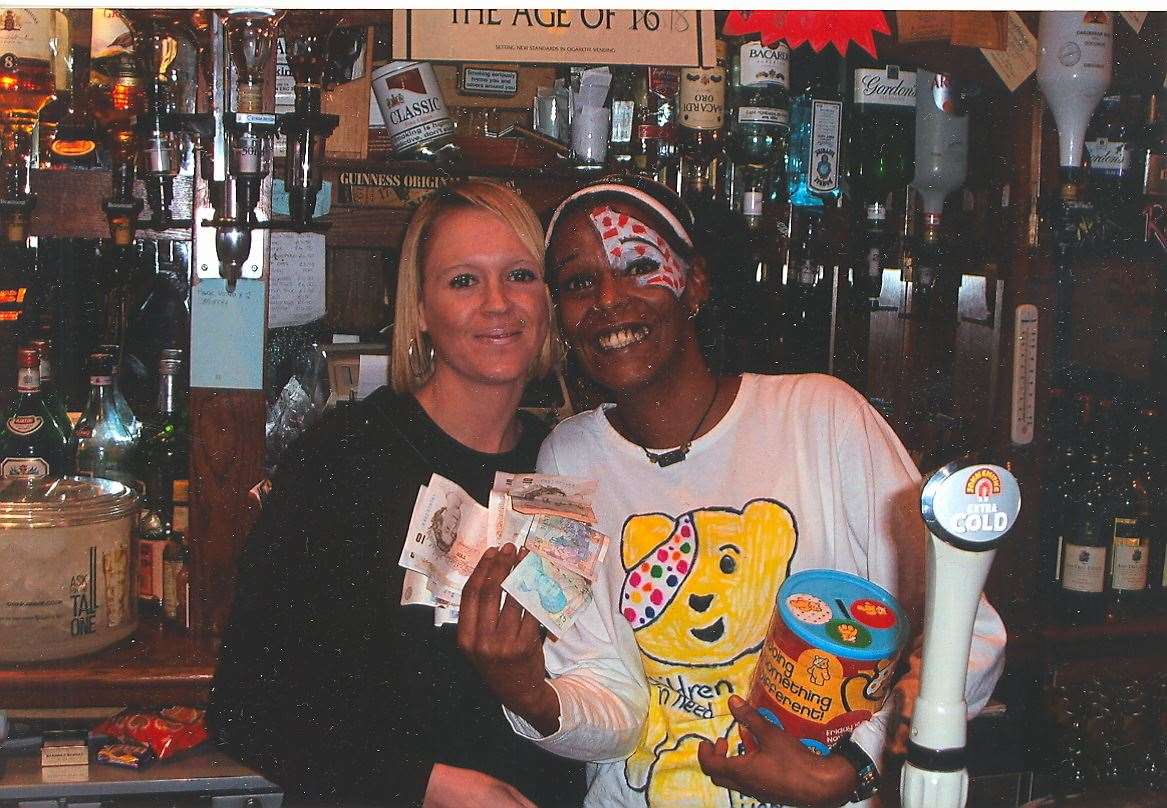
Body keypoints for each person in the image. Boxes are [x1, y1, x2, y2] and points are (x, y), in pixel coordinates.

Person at [458, 176, 1007, 808]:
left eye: (639, 265)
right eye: (580, 282)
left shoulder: (821, 418)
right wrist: (529, 691)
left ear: (693, 284)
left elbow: (966, 629)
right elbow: (615, 706)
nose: (608, 299)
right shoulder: (564, 460)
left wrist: (855, 764)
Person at [208, 180, 584, 808]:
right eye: (463, 281)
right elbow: (247, 707)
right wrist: (430, 786)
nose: (498, 304)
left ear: (547, 301)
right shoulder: (345, 460)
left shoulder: (563, 467)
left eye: (520, 275)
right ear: (421, 308)